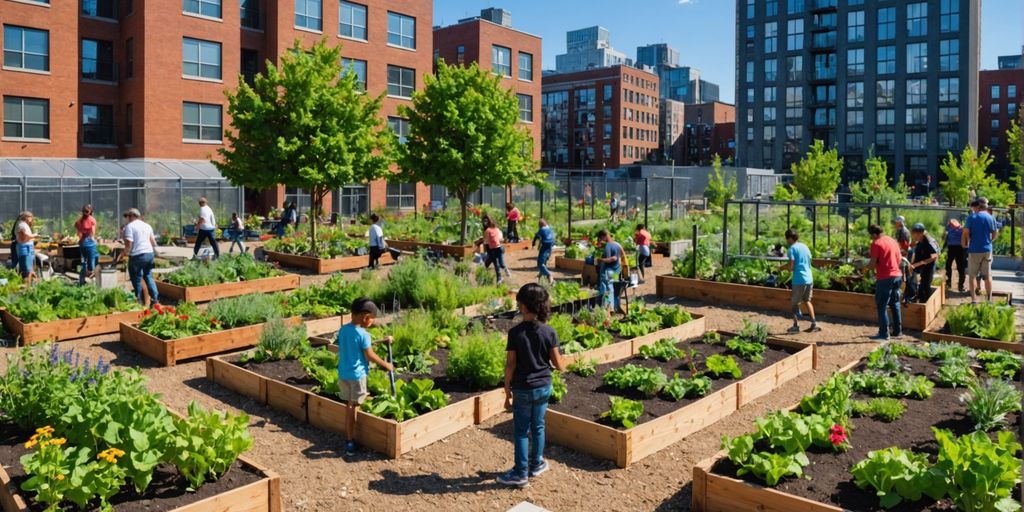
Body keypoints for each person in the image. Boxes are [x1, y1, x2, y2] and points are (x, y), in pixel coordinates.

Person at [496, 283, 566, 487]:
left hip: (523, 388)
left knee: (520, 431)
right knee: (538, 426)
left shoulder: (516, 333)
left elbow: (510, 365)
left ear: (522, 306)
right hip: (544, 386)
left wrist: (507, 390)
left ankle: (520, 473)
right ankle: (536, 464)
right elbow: (559, 365)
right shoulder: (549, 332)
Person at [335, 297, 394, 455]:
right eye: (372, 320)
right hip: (357, 376)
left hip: (343, 374)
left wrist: (378, 342)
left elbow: (353, 345)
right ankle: (350, 441)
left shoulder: (343, 330)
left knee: (348, 404)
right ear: (366, 317)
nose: (372, 323)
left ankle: (348, 436)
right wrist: (386, 365)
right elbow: (369, 356)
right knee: (354, 407)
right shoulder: (364, 335)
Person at [781, 229, 820, 334]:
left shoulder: (792, 249)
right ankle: (814, 324)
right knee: (807, 300)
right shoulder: (805, 247)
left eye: (786, 238)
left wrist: (781, 268)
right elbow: (808, 261)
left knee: (794, 303)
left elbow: (790, 267)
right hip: (809, 278)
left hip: (799, 279)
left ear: (789, 238)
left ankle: (795, 326)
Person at [117, 208, 159, 307]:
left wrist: (122, 254)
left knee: (136, 277)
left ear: (131, 216)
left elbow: (128, 246)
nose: (127, 219)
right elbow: (153, 241)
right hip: (149, 254)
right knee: (148, 276)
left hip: (137, 256)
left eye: (128, 217)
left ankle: (139, 299)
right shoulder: (147, 225)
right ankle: (155, 299)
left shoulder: (130, 226)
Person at [868, 224, 903, 340]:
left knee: (881, 305)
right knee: (895, 304)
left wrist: (864, 267)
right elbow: (899, 259)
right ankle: (898, 331)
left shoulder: (876, 243)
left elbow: (872, 263)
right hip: (897, 275)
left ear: (874, 234)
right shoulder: (892, 241)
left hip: (885, 277)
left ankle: (883, 334)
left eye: (871, 236)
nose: (871, 239)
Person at [962, 198, 997, 303]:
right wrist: (989, 241)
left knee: (972, 276)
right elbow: (994, 233)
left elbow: (966, 232)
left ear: (978, 205)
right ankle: (989, 300)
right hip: (987, 250)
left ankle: (974, 300)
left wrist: (967, 241)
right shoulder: (991, 217)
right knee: (987, 276)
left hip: (974, 250)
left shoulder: (972, 217)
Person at [596, 229, 628, 314]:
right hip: (616, 270)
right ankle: (615, 307)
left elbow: (613, 258)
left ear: (604, 236)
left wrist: (601, 259)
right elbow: (619, 256)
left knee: (608, 288)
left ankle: (608, 307)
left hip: (609, 270)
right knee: (613, 288)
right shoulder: (616, 244)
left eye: (601, 238)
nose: (601, 240)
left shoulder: (608, 246)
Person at [907, 223, 938, 303]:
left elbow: (934, 256)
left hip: (929, 267)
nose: (912, 236)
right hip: (922, 266)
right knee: (918, 285)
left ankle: (926, 304)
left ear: (919, 234)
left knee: (925, 285)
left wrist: (919, 263)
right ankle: (919, 299)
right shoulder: (919, 242)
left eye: (913, 234)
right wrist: (912, 264)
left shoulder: (929, 242)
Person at [13, 211, 39, 285]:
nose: (32, 219)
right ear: (27, 217)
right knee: (26, 270)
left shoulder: (24, 224)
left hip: (28, 248)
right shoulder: (21, 225)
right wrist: (34, 235)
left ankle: (30, 285)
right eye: (31, 218)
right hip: (24, 248)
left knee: (30, 270)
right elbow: (23, 237)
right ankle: (26, 286)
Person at [75, 205, 99, 285]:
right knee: (93, 262)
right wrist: (93, 239)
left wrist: (82, 238)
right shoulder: (92, 219)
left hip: (82, 244)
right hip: (90, 244)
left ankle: (81, 282)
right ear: (91, 211)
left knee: (83, 262)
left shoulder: (79, 221)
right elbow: (93, 233)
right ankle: (93, 283)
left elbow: (78, 234)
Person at [483, 218, 511, 283]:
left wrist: (483, 241)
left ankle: (499, 278)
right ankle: (503, 273)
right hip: (499, 247)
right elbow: (501, 239)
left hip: (492, 249)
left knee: (495, 263)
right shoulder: (497, 229)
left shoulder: (487, 230)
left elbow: (486, 241)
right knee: (499, 263)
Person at [943, 218, 966, 293]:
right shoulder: (962, 229)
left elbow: (946, 240)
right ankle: (960, 286)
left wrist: (943, 249)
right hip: (960, 249)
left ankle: (949, 283)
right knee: (960, 268)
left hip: (952, 248)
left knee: (949, 265)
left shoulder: (949, 229)